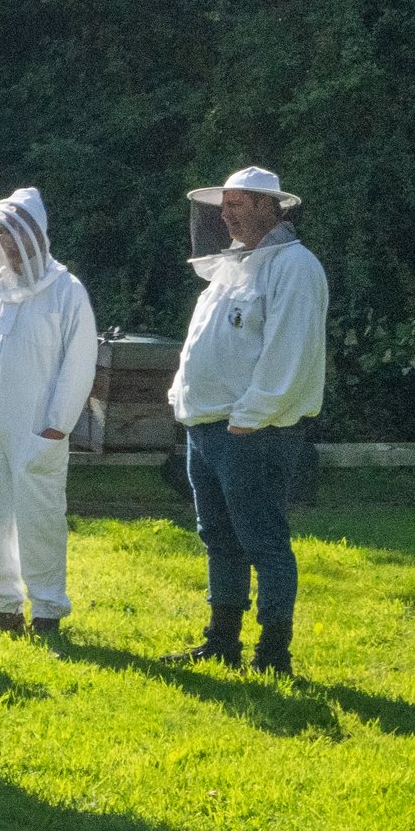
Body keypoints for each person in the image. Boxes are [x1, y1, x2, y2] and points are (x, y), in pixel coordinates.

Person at [165, 165, 327, 675]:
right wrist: (183, 400)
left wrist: (251, 417)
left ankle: (273, 653)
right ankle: (222, 642)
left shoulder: (295, 267)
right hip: (209, 426)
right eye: (225, 204)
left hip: (252, 431)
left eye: (240, 202)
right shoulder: (230, 266)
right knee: (218, 535)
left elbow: (290, 352)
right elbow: (205, 344)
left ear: (270, 207)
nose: (227, 212)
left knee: (263, 538)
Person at [0, 188, 97, 636]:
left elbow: (79, 362)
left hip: (39, 425)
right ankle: (4, 606)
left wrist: (58, 425)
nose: (5, 243)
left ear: (37, 234)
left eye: (13, 233)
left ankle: (46, 610)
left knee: (39, 516)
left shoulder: (66, 290)